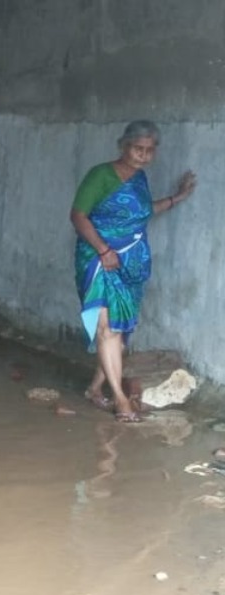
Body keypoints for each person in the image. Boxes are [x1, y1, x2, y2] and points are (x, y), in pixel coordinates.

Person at [70, 120, 196, 422]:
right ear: (122, 146)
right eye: (138, 149)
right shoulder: (100, 175)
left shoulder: (139, 179)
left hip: (131, 263)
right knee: (108, 329)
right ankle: (121, 401)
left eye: (149, 151)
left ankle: (94, 389)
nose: (143, 155)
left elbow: (143, 212)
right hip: (99, 260)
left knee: (119, 333)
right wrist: (103, 249)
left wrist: (177, 198)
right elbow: (78, 215)